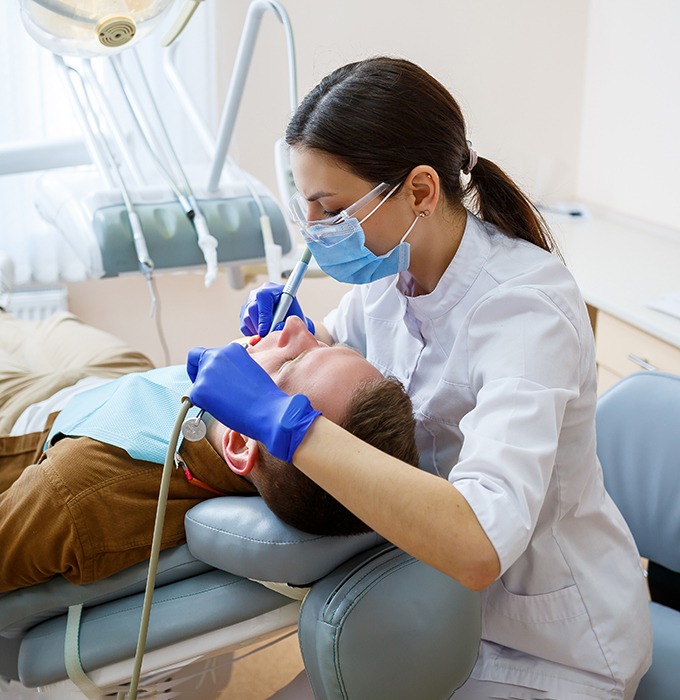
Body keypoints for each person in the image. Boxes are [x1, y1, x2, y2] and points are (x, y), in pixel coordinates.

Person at [187, 57, 653, 699]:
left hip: (549, 646)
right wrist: (300, 339)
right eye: (308, 211)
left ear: (421, 191)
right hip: (429, 610)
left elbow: (480, 544)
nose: (318, 234)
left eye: (333, 211)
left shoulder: (525, 310)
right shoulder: (391, 279)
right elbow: (341, 356)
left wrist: (287, 425)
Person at [0, 312, 419, 593]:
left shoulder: (76, 491)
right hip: (115, 372)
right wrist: (288, 357)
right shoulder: (234, 433)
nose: (295, 325)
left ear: (239, 443)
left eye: (292, 361)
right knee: (53, 320)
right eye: (328, 345)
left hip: (26, 418)